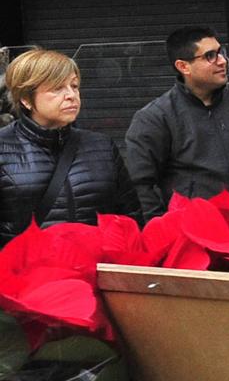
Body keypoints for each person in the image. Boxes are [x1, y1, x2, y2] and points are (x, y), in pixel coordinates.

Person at [0, 48, 139, 244]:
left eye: (74, 86)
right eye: (57, 88)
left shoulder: (102, 146)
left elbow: (130, 218)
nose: (71, 95)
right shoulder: (4, 148)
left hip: (97, 268)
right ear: (26, 99)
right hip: (28, 271)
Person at [121, 25, 229, 219]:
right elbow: (141, 184)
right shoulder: (156, 117)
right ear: (183, 66)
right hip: (192, 234)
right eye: (210, 56)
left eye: (221, 52)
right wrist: (162, 231)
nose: (222, 61)